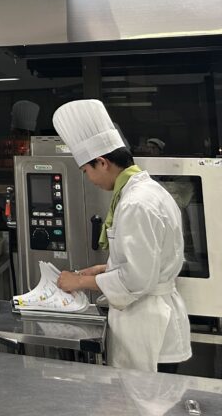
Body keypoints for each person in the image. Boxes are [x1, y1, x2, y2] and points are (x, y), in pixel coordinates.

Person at [53, 100, 191, 373]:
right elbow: (146, 262)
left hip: (149, 330)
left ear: (102, 163)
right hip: (150, 322)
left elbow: (135, 279)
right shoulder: (146, 191)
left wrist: (78, 281)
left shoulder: (136, 203)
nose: (89, 179)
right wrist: (103, 269)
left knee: (145, 398)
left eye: (86, 171)